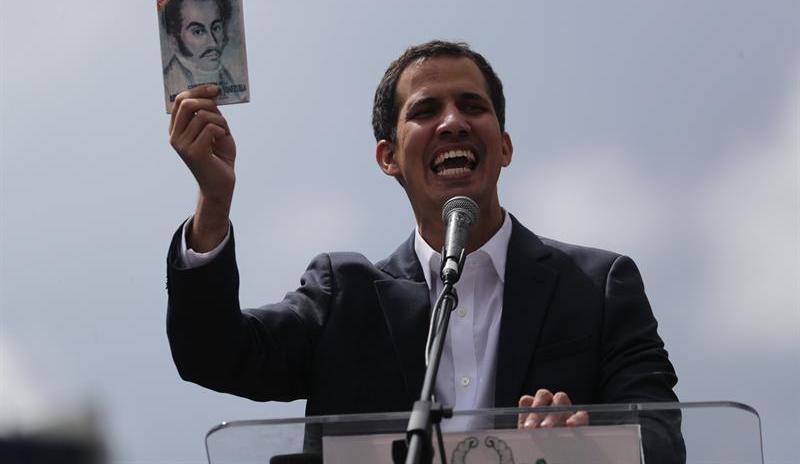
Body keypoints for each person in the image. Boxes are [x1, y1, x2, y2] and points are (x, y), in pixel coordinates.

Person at [165, 41, 683, 460]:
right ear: (387, 157)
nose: (453, 122)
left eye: (473, 106)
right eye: (426, 110)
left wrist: (587, 444)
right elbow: (213, 353)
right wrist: (214, 200)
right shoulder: (344, 296)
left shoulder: (598, 286)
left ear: (504, 146)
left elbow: (661, 439)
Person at [161, 0, 242, 104]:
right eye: (198, 31)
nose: (213, 43)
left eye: (216, 28)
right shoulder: (166, 87)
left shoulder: (228, 78)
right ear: (174, 40)